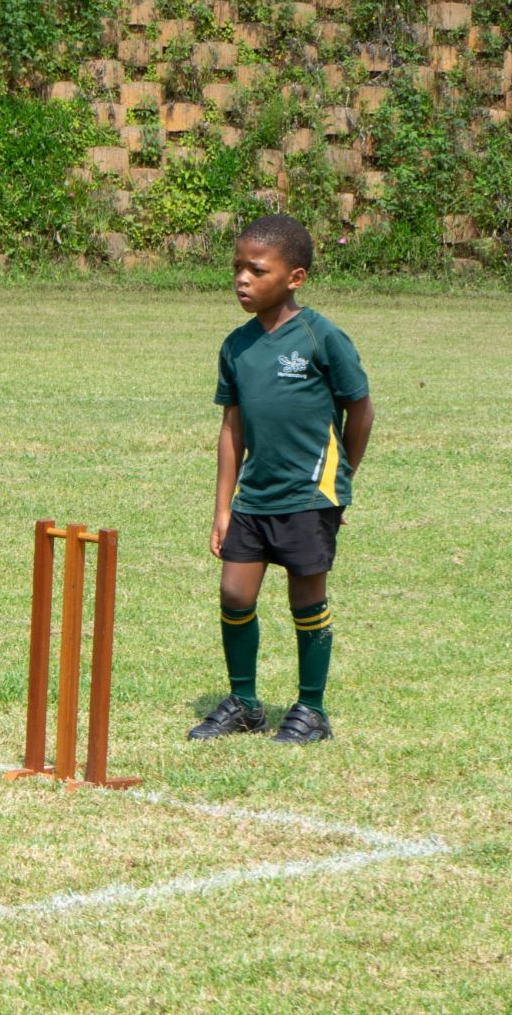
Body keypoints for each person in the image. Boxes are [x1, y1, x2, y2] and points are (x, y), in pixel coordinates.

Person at [192, 216, 373, 745]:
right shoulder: (236, 346)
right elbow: (232, 429)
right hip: (255, 494)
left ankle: (311, 710)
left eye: (256, 269)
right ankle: (246, 704)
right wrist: (223, 508)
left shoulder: (321, 336)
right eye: (237, 268)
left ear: (294, 277)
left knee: (305, 600)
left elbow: (359, 411)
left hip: (309, 495)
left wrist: (342, 479)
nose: (241, 280)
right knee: (233, 593)